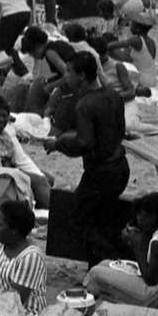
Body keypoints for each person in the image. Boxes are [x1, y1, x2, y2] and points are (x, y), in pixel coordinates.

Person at [42, 51, 130, 264]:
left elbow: (84, 142)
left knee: (83, 220)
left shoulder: (85, 104)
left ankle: (101, 266)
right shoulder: (113, 95)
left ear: (81, 75)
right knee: (102, 218)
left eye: (69, 73)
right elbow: (120, 131)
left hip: (101, 172)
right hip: (120, 167)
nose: (66, 77)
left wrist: (59, 143)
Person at [84, 193, 158, 306]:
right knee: (105, 264)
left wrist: (137, 245)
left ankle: (86, 304)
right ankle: (95, 297)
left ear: (151, 217)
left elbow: (151, 280)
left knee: (95, 272)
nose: (138, 219)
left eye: (142, 215)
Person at [0, 94, 52, 204]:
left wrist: (39, 175)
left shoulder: (6, 133)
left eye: (4, 116)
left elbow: (22, 159)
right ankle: (51, 214)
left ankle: (39, 210)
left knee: (48, 178)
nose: (2, 120)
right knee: (39, 182)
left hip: (9, 170)